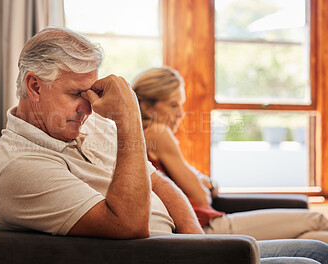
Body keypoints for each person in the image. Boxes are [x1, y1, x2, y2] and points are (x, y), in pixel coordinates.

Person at [0, 26, 328, 263]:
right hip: (158, 258)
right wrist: (129, 120)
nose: (88, 107)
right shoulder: (19, 166)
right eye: (76, 93)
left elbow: (159, 182)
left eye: (90, 93)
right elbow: (128, 226)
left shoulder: (85, 126)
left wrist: (202, 245)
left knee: (316, 249)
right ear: (34, 86)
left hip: (188, 249)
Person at [131, 66, 328, 243]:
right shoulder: (157, 133)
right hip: (206, 228)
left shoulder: (142, 135)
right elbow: (202, 198)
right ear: (147, 106)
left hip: (206, 224)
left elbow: (204, 184)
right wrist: (205, 183)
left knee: (315, 239)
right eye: (173, 105)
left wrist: (206, 183)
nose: (181, 114)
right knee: (315, 219)